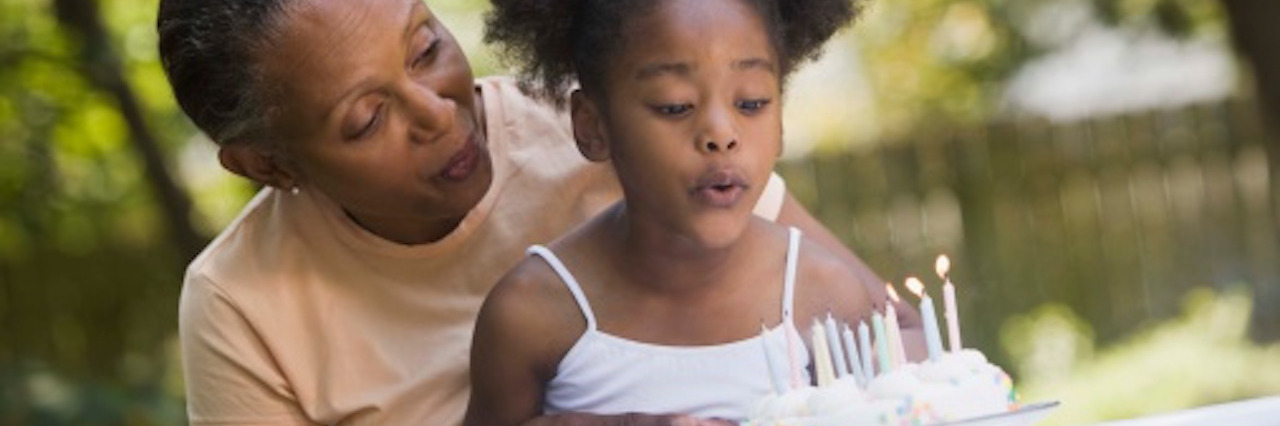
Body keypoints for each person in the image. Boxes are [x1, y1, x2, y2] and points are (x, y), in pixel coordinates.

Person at [156, 0, 917, 424]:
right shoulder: (240, 302)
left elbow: (895, 345)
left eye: (425, 50)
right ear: (270, 165)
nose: (437, 114)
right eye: (365, 119)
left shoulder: (614, 128)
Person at [464, 0, 888, 424]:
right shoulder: (530, 312)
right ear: (593, 126)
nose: (721, 134)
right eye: (674, 106)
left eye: (753, 102)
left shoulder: (824, 294)